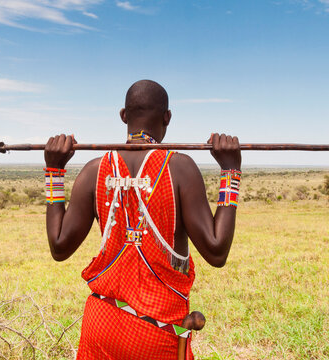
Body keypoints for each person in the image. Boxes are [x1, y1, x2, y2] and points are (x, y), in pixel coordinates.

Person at [44, 80, 241, 359]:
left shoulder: (93, 171)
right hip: (155, 333)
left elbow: (59, 247)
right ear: (167, 118)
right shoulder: (180, 169)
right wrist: (230, 171)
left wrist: (54, 171)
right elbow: (217, 251)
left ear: (124, 115)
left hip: (101, 323)